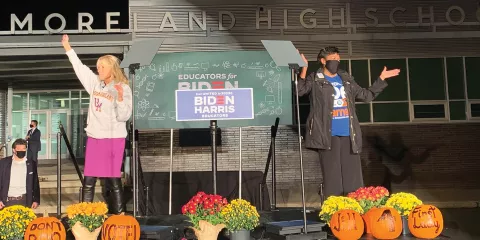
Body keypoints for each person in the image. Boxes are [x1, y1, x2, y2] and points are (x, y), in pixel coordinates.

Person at [297, 46, 400, 198]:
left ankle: (355, 211)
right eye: (333, 60)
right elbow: (299, 91)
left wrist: (381, 79)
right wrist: (304, 69)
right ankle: (335, 212)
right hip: (327, 135)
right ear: (323, 61)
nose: (336, 62)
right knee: (332, 178)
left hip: (348, 133)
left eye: (338, 60)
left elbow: (366, 95)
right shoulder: (315, 78)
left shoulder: (345, 77)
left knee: (353, 178)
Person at [62, 34, 132, 214]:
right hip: (95, 137)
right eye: (98, 67)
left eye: (102, 67)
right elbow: (80, 68)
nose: (98, 69)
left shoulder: (122, 88)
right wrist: (68, 48)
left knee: (113, 179)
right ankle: (86, 214)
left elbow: (124, 116)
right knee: (89, 178)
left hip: (114, 138)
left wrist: (121, 98)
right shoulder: (95, 84)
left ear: (112, 69)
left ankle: (119, 215)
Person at [0, 138, 40, 209]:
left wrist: (36, 200)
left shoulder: (31, 163)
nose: (22, 151)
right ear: (14, 150)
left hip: (24, 201)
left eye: (24, 149)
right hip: (7, 201)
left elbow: (35, 183)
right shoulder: (4, 163)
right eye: (19, 149)